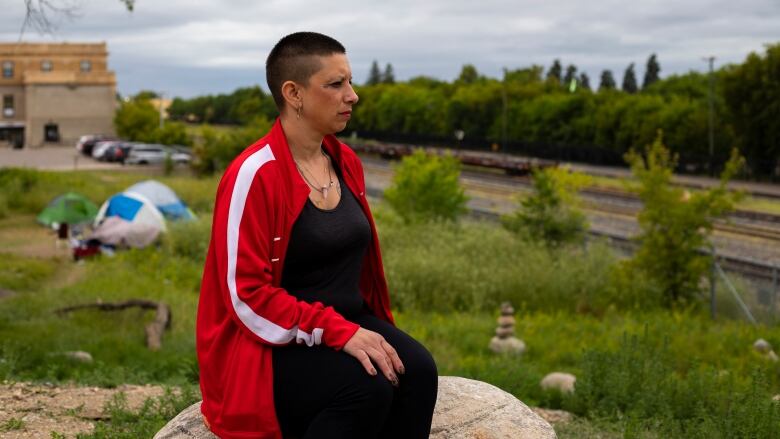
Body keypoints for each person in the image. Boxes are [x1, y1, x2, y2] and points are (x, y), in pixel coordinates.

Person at [196, 32, 438, 439]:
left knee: (418, 371)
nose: (352, 95)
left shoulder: (346, 162)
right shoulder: (254, 175)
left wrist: (354, 330)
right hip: (271, 344)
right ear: (294, 93)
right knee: (366, 388)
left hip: (342, 322)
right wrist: (337, 332)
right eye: (335, 84)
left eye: (350, 82)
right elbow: (246, 297)